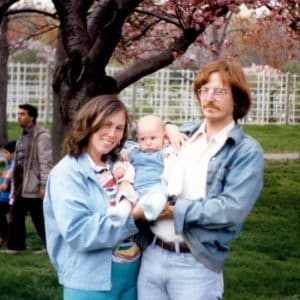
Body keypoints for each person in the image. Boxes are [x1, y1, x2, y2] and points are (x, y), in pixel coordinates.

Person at [134, 59, 265, 300]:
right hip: (152, 254)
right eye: (204, 90)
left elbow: (231, 209)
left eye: (219, 91)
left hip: (194, 264)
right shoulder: (184, 134)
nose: (209, 97)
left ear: (236, 98)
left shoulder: (246, 151)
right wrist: (170, 127)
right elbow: (140, 147)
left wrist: (173, 211)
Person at [43, 95, 141, 300]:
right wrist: (135, 218)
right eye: (106, 124)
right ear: (88, 122)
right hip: (91, 284)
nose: (112, 134)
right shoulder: (68, 172)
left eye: (119, 128)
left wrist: (169, 127)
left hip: (131, 281)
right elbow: (79, 232)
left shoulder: (118, 164)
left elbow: (154, 137)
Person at [109, 114, 182, 223]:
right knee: (126, 197)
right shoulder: (132, 152)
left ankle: (154, 207)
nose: (148, 143)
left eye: (153, 138)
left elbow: (175, 162)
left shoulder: (165, 152)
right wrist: (119, 168)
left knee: (161, 193)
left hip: (157, 185)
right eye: (142, 139)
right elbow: (120, 159)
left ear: (164, 136)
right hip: (136, 189)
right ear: (137, 139)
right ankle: (120, 213)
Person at [4, 104, 52, 254]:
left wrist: (43, 185)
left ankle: (50, 246)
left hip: (33, 184)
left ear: (32, 117)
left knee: (39, 217)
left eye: (23, 114)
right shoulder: (23, 136)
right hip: (20, 183)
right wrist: (7, 181)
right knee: (17, 214)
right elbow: (17, 162)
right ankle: (16, 246)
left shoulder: (41, 136)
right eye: (18, 114)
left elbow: (46, 161)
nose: (19, 117)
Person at [0, 141, 16, 245]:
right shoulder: (7, 166)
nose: (4, 155)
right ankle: (4, 236)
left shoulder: (13, 166)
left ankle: (5, 236)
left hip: (8, 199)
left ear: (13, 153)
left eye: (6, 152)